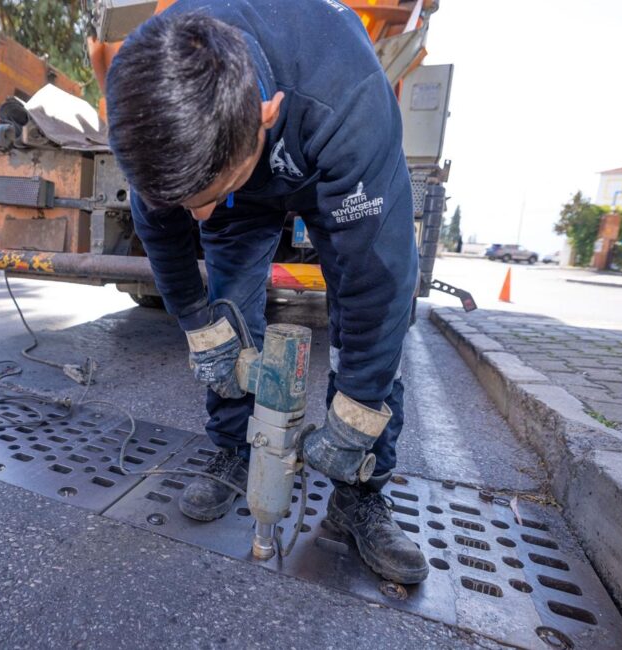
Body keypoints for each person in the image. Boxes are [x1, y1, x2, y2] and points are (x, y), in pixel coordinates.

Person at [104, 0, 426, 584]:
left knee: (373, 329)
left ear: (264, 114)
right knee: (229, 313)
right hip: (240, 181)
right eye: (184, 202)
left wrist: (356, 411)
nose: (193, 216)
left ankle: (360, 492)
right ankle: (234, 448)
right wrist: (200, 327)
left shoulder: (347, 99)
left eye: (202, 196)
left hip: (317, 153)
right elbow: (163, 230)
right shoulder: (148, 85)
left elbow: (376, 284)